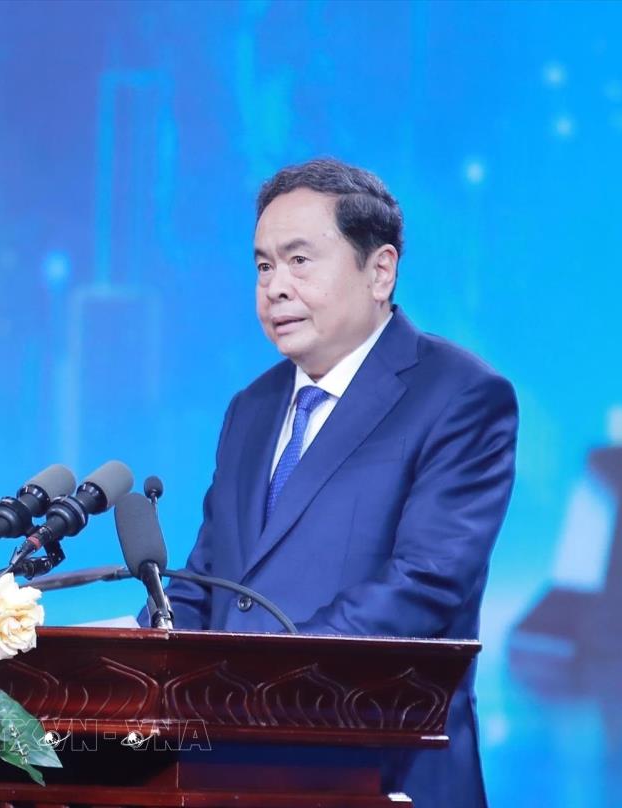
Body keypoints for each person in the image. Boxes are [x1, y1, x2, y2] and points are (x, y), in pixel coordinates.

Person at [158, 158, 518, 807]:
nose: (275, 287)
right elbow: (210, 576)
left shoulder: (460, 396)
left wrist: (259, 680)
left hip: (380, 769)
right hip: (229, 774)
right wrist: (143, 660)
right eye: (263, 266)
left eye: (300, 261)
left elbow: (424, 585)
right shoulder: (251, 407)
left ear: (380, 271)